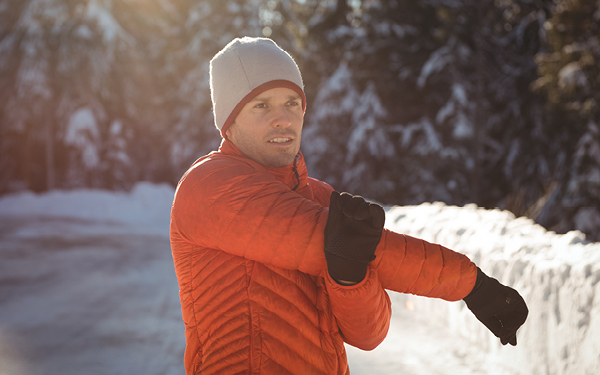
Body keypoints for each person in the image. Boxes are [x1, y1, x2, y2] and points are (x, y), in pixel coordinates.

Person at [169, 36, 528, 375]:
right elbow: (374, 251)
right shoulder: (210, 186)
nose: (283, 118)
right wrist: (471, 284)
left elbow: (369, 335)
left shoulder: (322, 198)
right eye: (261, 105)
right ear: (229, 123)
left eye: (292, 103)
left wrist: (350, 279)